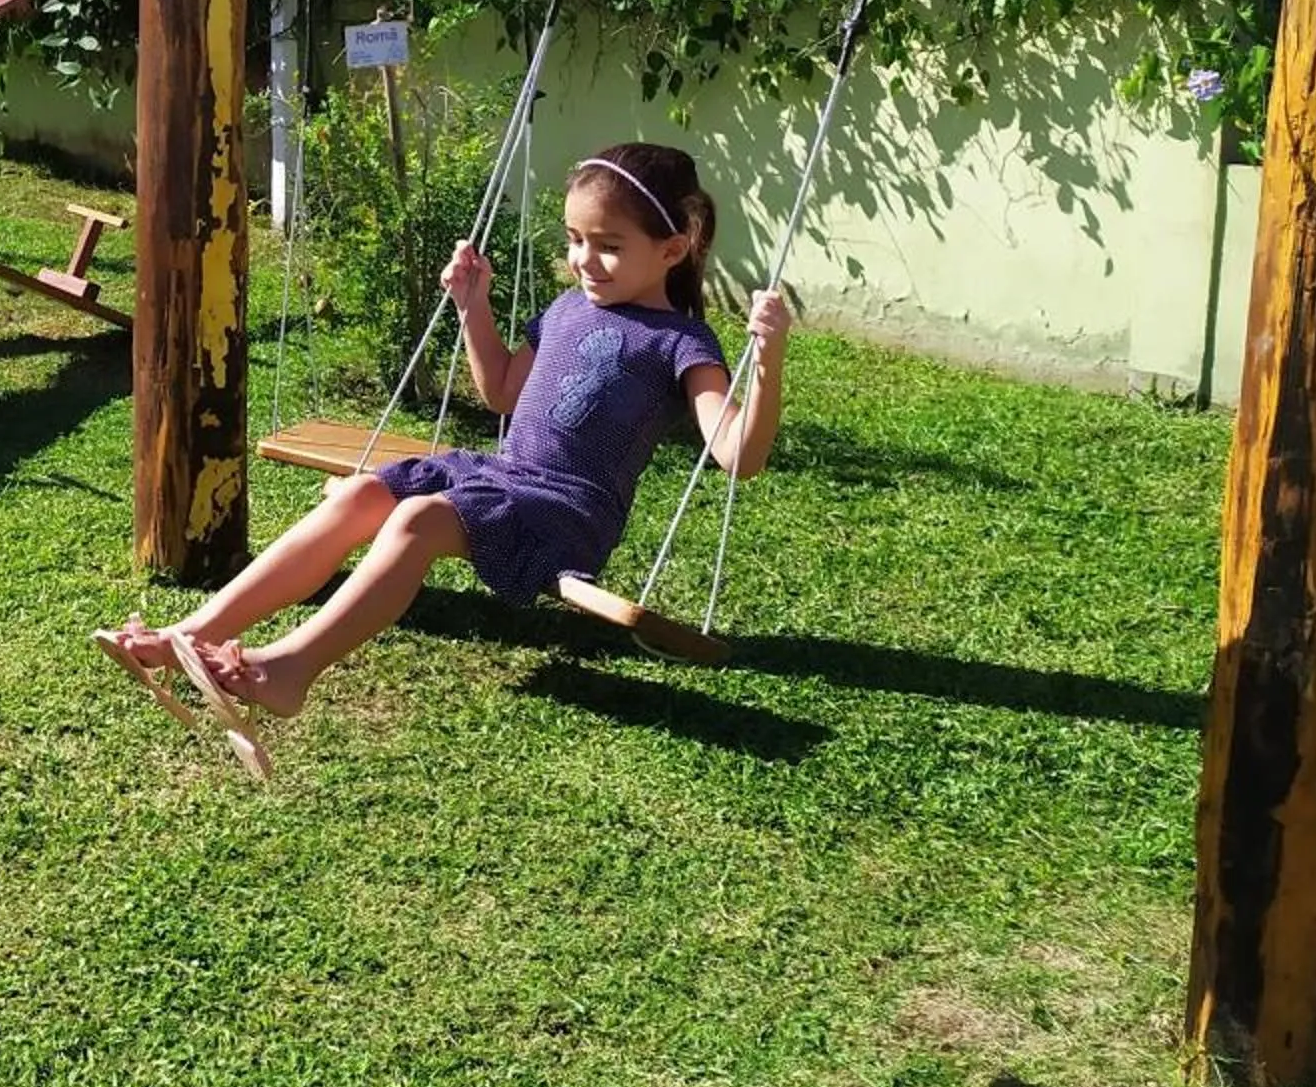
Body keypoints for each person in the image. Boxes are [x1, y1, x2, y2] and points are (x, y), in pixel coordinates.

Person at [94, 142, 793, 777]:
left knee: (419, 520)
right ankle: (189, 635)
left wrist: (770, 362)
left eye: (608, 245)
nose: (584, 259)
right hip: (500, 473)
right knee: (358, 496)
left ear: (672, 251)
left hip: (566, 511)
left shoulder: (681, 343)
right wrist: (473, 307)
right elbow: (503, 392)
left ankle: (288, 669)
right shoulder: (565, 308)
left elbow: (738, 456)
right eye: (575, 239)